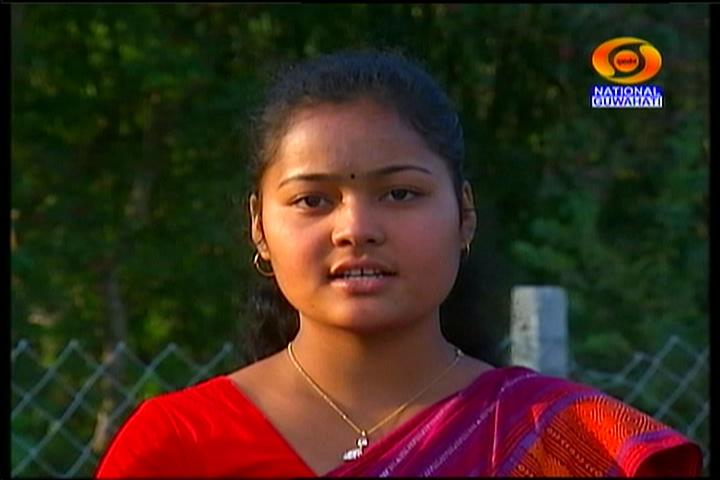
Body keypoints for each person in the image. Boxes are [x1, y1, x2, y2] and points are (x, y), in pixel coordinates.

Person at [95, 49, 702, 477]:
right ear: (259, 227)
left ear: (464, 214)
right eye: (313, 200)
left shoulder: (570, 443)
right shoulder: (175, 446)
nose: (356, 229)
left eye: (401, 193)